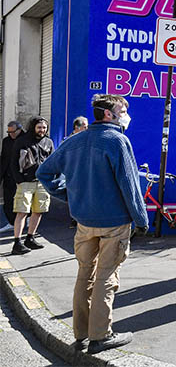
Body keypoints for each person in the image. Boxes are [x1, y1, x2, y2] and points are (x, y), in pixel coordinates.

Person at [36, 94, 147, 354]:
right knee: (106, 277)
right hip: (114, 222)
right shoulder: (117, 141)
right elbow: (130, 186)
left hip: (84, 222)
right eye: (122, 109)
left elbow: (44, 172)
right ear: (108, 114)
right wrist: (141, 220)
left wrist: (69, 196)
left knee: (85, 274)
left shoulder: (73, 141)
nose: (126, 113)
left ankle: (81, 334)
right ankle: (101, 335)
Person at [10, 117, 54, 255]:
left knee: (38, 211)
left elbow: (53, 160)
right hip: (26, 182)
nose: (42, 130)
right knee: (22, 212)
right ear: (33, 127)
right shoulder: (22, 141)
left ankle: (30, 238)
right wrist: (19, 180)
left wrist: (51, 179)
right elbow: (13, 163)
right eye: (39, 127)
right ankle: (17, 243)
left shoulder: (48, 142)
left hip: (42, 183)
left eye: (44, 128)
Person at [0, 121, 24, 234]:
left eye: (13, 132)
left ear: (19, 129)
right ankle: (11, 222)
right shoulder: (6, 141)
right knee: (8, 200)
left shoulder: (25, 139)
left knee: (21, 201)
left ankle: (24, 220)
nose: (11, 134)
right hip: (8, 175)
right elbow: (3, 159)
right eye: (8, 132)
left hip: (21, 176)